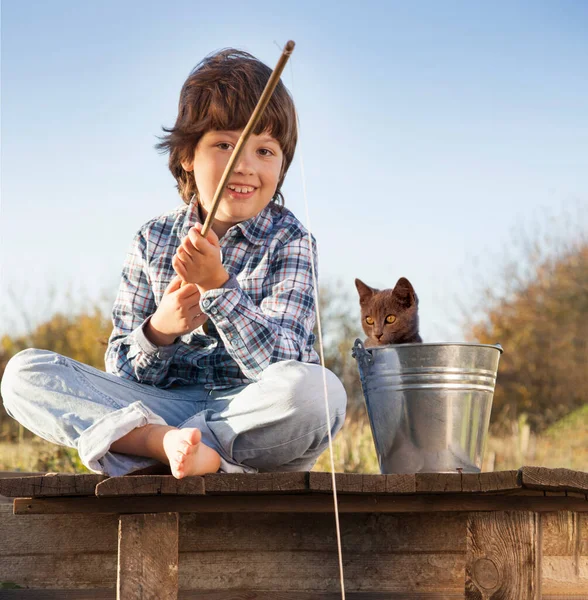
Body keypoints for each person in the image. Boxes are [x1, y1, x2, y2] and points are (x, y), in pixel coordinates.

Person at [1, 49, 347, 478]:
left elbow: (284, 362)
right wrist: (160, 329)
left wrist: (219, 288)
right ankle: (163, 445)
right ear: (187, 156)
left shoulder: (291, 241)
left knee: (320, 392)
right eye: (225, 145)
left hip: (247, 411)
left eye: (265, 151)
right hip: (158, 408)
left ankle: (180, 449)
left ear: (282, 163)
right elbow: (121, 370)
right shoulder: (153, 239)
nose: (245, 166)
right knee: (23, 375)